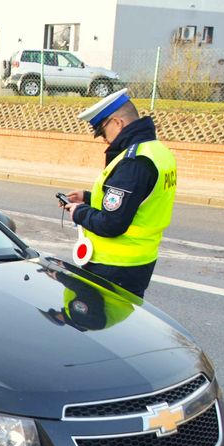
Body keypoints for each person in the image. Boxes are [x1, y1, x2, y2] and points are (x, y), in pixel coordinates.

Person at [62, 89, 176, 298]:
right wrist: (87, 198)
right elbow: (138, 200)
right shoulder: (158, 151)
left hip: (114, 265)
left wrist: (79, 212)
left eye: (102, 131)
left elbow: (111, 223)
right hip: (140, 260)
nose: (104, 139)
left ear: (117, 123)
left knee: (101, 327)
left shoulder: (133, 162)